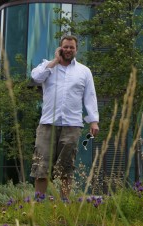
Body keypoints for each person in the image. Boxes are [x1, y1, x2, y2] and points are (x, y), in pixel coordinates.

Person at [29, 35, 99, 200]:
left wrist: (93, 121)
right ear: (60, 48)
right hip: (47, 124)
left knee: (66, 167)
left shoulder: (84, 71)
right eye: (65, 47)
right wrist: (54, 61)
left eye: (71, 47)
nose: (68, 50)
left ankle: (64, 205)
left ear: (76, 49)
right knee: (41, 166)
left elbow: (90, 97)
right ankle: (39, 204)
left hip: (72, 125)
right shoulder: (47, 66)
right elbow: (35, 78)